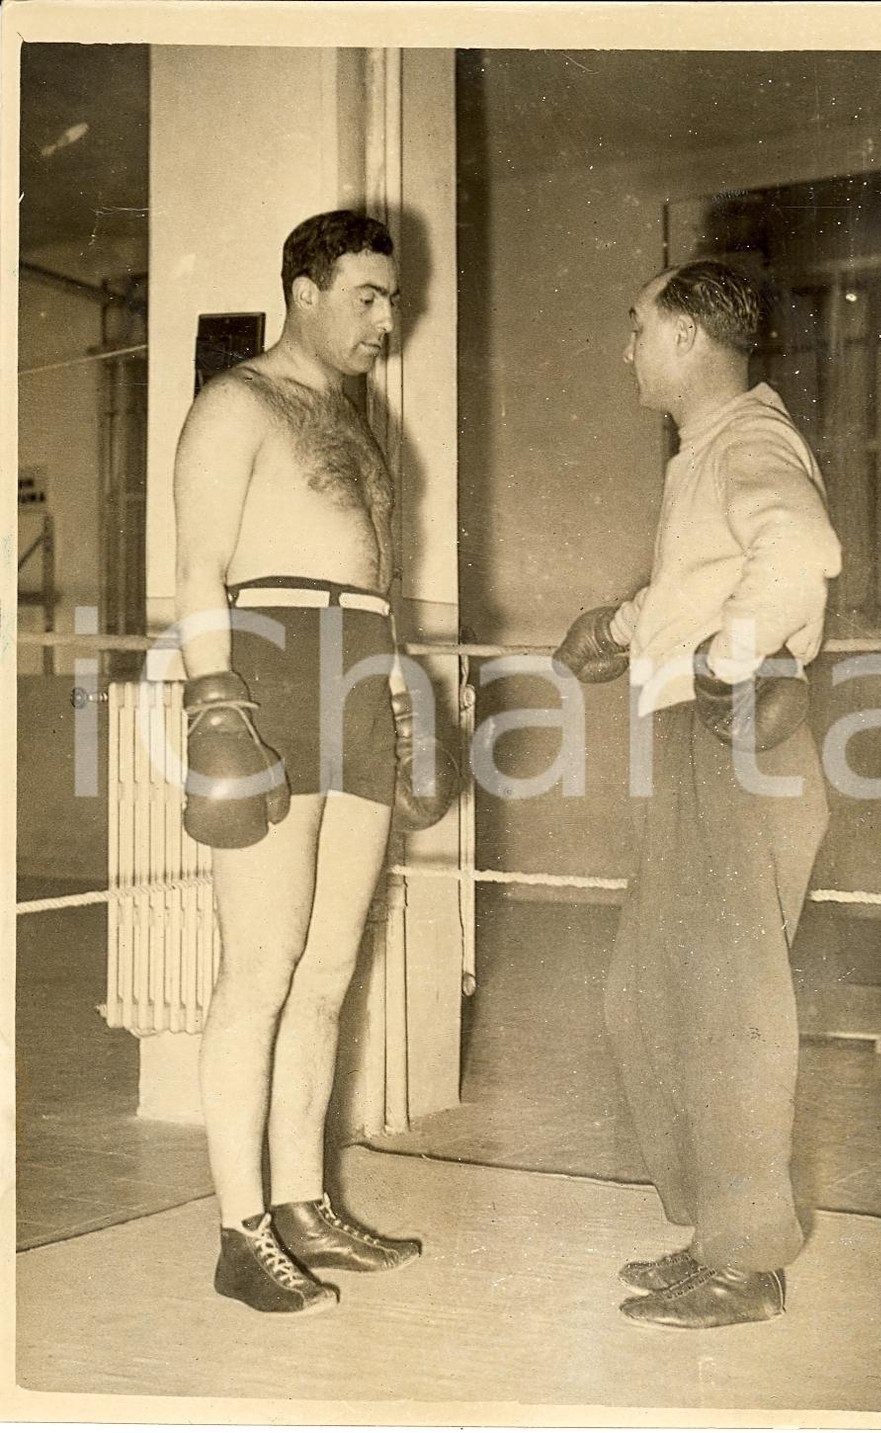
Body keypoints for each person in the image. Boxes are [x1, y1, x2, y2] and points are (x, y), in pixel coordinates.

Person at [555, 259, 842, 1329]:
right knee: (647, 996)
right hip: (691, 741)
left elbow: (799, 548)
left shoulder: (750, 441)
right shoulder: (708, 455)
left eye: (637, 328)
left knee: (725, 1009)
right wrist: (624, 625)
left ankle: (748, 1259)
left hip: (734, 743)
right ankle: (716, 1233)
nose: (625, 348)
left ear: (685, 340)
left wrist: (725, 659)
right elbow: (713, 572)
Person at [173, 211, 451, 1316]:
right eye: (369, 297)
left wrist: (402, 672)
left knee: (331, 966)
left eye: (393, 299)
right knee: (263, 964)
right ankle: (240, 1228)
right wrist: (214, 698)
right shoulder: (234, 403)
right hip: (270, 661)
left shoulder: (354, 421)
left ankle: (300, 1199)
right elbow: (197, 564)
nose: (390, 318)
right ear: (305, 288)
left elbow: (373, 575)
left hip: (361, 670)